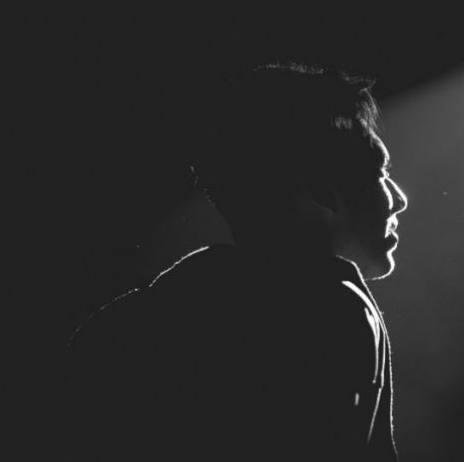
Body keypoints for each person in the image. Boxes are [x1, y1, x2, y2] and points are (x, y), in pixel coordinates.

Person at [65, 63, 408, 460]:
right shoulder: (335, 310)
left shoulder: (138, 320)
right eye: (378, 173)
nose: (399, 200)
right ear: (317, 191)